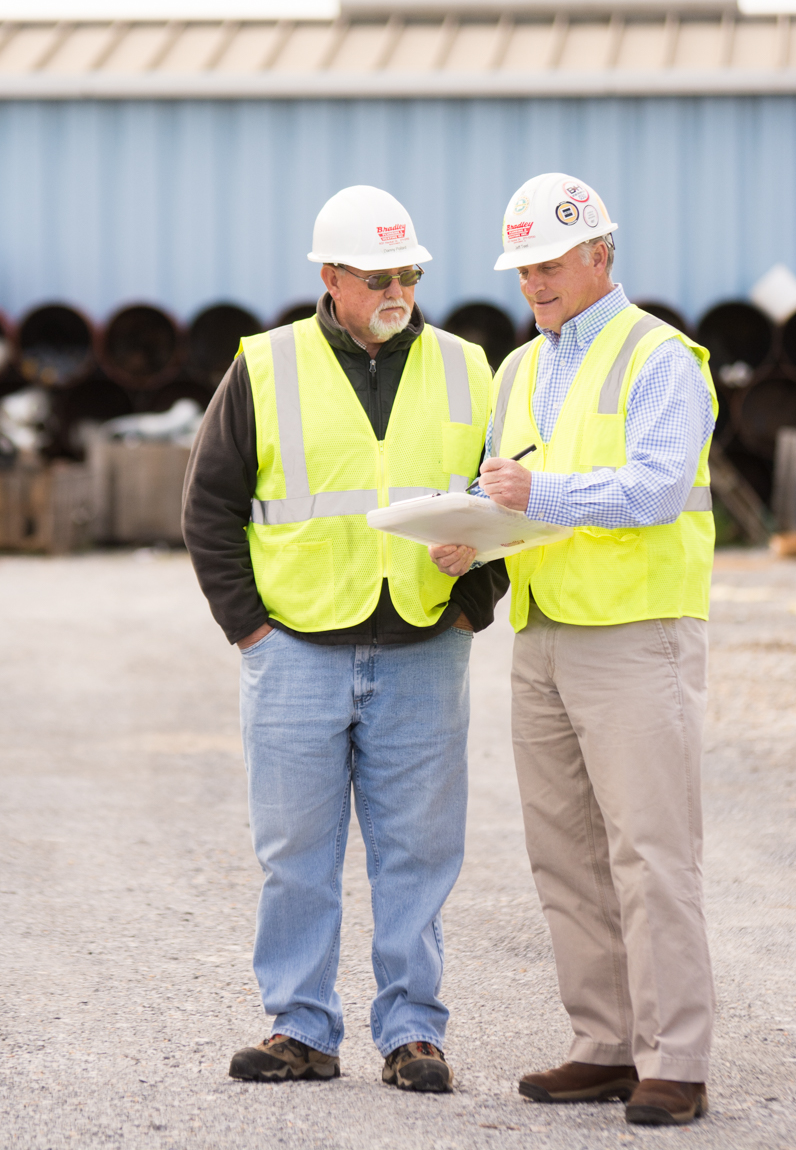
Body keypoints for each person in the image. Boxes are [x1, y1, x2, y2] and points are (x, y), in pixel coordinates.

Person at [182, 185, 507, 1093]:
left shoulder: (466, 367)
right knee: (296, 854)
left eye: (408, 273)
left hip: (424, 645)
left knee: (419, 852)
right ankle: (301, 1028)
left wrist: (472, 598)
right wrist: (249, 628)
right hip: (294, 648)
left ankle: (413, 1035)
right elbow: (208, 506)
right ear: (331, 278)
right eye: (378, 276)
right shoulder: (264, 365)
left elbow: (509, 502)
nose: (397, 288)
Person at [431, 172, 717, 1126]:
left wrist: (530, 498)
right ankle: (603, 1045)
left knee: (651, 851)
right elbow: (511, 494)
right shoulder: (518, 369)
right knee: (565, 855)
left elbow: (653, 491)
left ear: (601, 252)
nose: (536, 284)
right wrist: (471, 533)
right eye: (523, 269)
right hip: (545, 634)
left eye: (550, 264)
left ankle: (675, 1059)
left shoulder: (661, 357)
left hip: (637, 636)